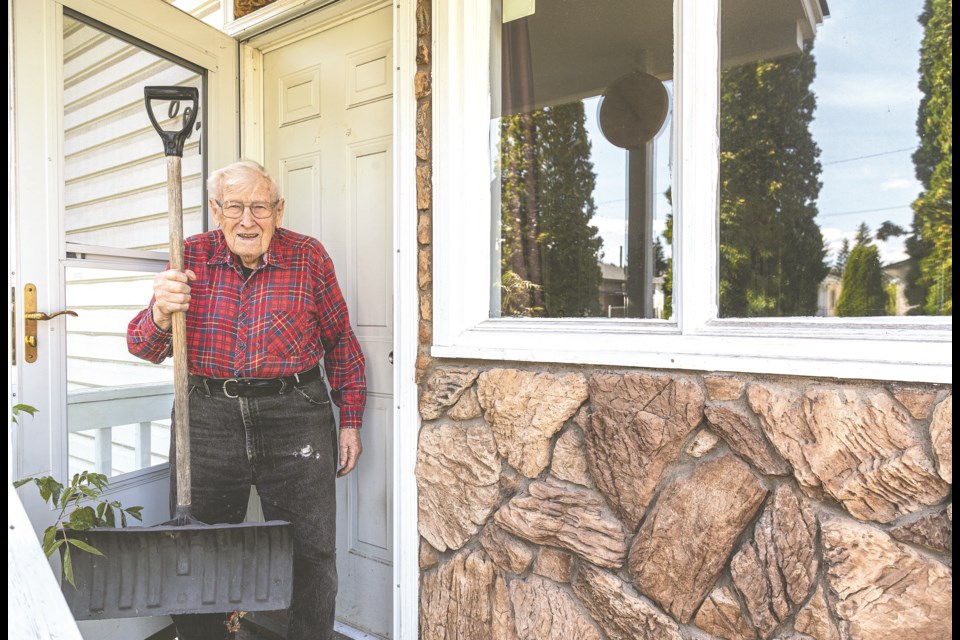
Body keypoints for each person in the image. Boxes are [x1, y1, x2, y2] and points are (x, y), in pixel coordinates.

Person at [127, 159, 365, 640]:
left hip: (296, 412)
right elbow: (142, 346)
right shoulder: (187, 254)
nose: (247, 220)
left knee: (311, 549)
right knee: (199, 545)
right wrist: (159, 311)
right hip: (208, 417)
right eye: (234, 206)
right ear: (216, 210)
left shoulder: (308, 256)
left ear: (278, 209)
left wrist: (351, 420)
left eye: (259, 206)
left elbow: (340, 342)